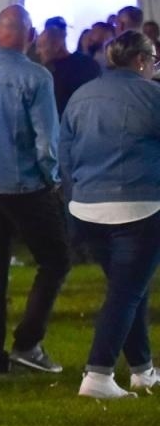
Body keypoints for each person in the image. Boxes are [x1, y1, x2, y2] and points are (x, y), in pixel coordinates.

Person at [0, 4, 68, 377]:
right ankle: (27, 342)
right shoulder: (36, 78)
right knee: (55, 260)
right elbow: (45, 141)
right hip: (24, 184)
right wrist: (52, 178)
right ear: (30, 34)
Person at [59, 31, 160, 398]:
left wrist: (74, 201)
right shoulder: (152, 96)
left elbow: (65, 157)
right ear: (140, 61)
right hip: (139, 207)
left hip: (86, 208)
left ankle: (142, 369)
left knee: (129, 288)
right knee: (126, 292)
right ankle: (98, 374)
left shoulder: (81, 96)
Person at [35, 16, 100, 114]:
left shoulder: (85, 66)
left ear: (56, 45)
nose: (37, 52)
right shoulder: (47, 71)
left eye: (41, 46)